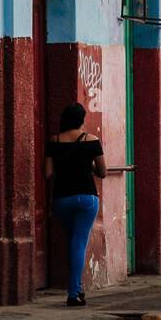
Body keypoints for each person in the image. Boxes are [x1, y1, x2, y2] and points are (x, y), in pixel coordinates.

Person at [46, 102, 108, 307]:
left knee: (73, 242)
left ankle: (77, 288)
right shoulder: (92, 141)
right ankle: (73, 292)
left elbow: (47, 174)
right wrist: (87, 164)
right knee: (79, 243)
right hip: (87, 199)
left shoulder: (53, 141)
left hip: (62, 199)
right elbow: (102, 172)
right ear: (82, 120)